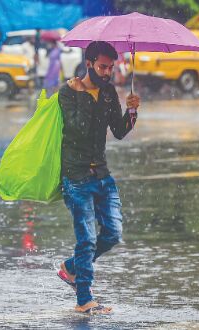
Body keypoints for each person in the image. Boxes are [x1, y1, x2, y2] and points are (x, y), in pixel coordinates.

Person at [56, 41, 140, 314]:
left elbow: (118, 131)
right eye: (103, 66)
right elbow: (78, 128)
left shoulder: (108, 92)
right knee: (87, 239)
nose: (107, 72)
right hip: (76, 176)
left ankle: (71, 267)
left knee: (113, 233)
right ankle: (84, 301)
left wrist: (131, 111)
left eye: (111, 67)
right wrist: (84, 93)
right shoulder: (67, 93)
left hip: (102, 173)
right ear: (89, 62)